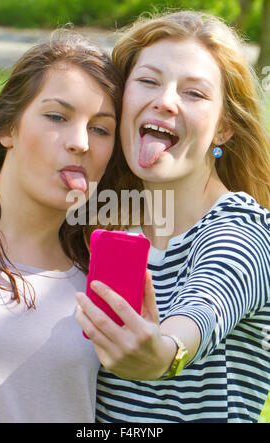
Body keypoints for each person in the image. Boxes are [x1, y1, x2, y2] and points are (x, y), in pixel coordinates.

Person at [75, 11, 270, 423]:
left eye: (195, 93)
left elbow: (204, 307)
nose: (165, 100)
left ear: (224, 128)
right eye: (148, 80)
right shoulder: (102, 219)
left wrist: (164, 353)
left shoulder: (242, 231)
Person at [0, 30, 123, 423]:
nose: (80, 143)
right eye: (57, 117)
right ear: (8, 128)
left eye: (100, 129)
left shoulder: (102, 274)